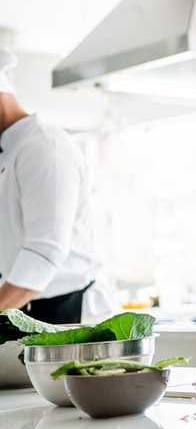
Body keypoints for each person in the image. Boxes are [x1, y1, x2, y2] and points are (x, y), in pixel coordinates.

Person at [0, 49, 113, 323]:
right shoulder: (10, 153)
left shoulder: (43, 147)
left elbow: (44, 252)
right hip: (24, 311)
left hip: (68, 315)